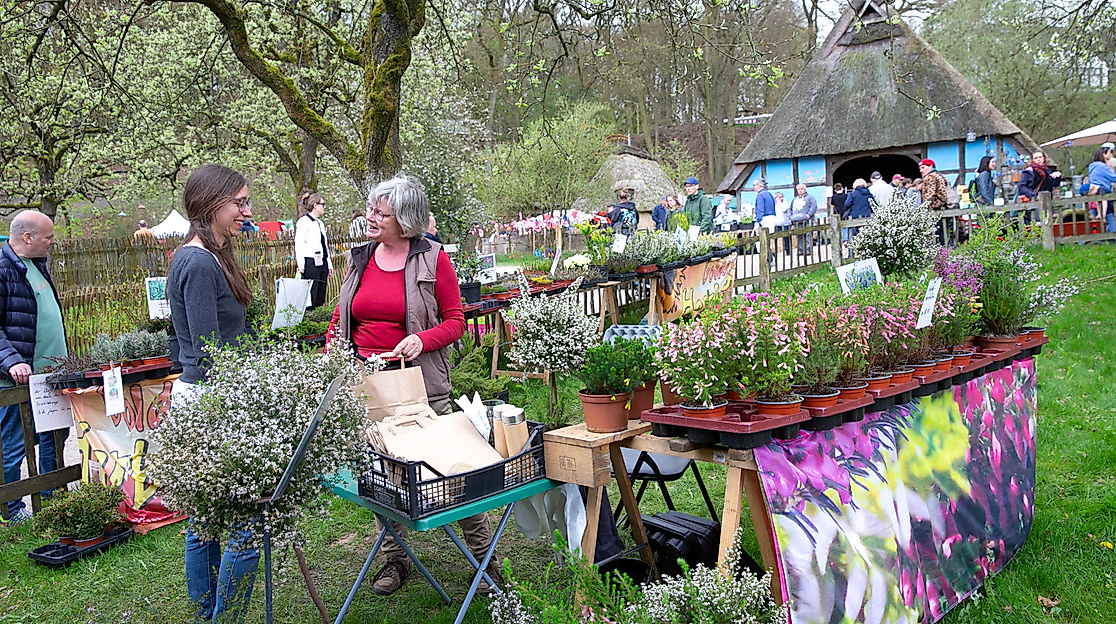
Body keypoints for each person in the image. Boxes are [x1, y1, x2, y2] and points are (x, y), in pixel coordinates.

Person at [326, 175, 501, 597]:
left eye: (379, 213)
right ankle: (394, 557)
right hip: (369, 385)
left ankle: (486, 559)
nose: (369, 218)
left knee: (454, 469)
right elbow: (342, 315)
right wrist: (332, 352)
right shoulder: (361, 257)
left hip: (422, 386)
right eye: (369, 209)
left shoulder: (434, 259)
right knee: (382, 472)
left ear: (404, 219)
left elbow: (456, 322)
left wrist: (420, 340)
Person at [166, 164, 259, 622]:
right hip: (210, 399)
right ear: (210, 205)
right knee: (246, 522)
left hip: (208, 395)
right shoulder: (198, 261)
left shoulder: (209, 256)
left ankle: (211, 615)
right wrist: (242, 403)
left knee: (204, 519)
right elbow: (206, 351)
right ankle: (224, 617)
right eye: (239, 203)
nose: (247, 210)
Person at [0, 210, 65, 527]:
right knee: (14, 446)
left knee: (54, 438)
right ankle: (11, 512)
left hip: (49, 376)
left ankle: (53, 503)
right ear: (28, 237)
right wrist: (12, 361)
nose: (53, 242)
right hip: (15, 381)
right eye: (49, 237)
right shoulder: (2, 268)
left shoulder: (35, 265)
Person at [294, 193, 333, 310]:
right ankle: (310, 317)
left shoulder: (320, 223)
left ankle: (319, 318)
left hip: (322, 261)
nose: (324, 207)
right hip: (310, 261)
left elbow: (324, 245)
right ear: (315, 205)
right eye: (322, 204)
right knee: (311, 294)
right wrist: (301, 265)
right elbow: (299, 244)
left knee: (321, 294)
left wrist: (329, 264)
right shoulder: (303, 222)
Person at [1086, 146, 1116, 233]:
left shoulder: (1092, 166)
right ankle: (1112, 237)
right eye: (1109, 153)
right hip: (1103, 192)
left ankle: (1093, 237)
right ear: (1103, 155)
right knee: (1109, 216)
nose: (1111, 155)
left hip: (1093, 192)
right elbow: (1113, 177)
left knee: (1093, 218)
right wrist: (1110, 168)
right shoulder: (1102, 167)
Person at [788, 183, 818, 256]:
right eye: (799, 189)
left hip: (806, 220)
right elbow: (790, 209)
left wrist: (809, 215)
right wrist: (790, 217)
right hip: (796, 221)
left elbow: (813, 206)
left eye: (801, 189)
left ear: (805, 189)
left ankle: (808, 250)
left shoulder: (810, 198)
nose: (800, 191)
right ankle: (801, 250)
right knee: (798, 236)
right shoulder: (794, 199)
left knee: (807, 235)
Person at [844, 178, 874, 242]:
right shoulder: (869, 194)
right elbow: (874, 205)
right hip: (867, 217)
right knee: (867, 238)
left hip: (855, 217)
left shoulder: (852, 194)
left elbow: (846, 204)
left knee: (854, 238)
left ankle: (854, 251)